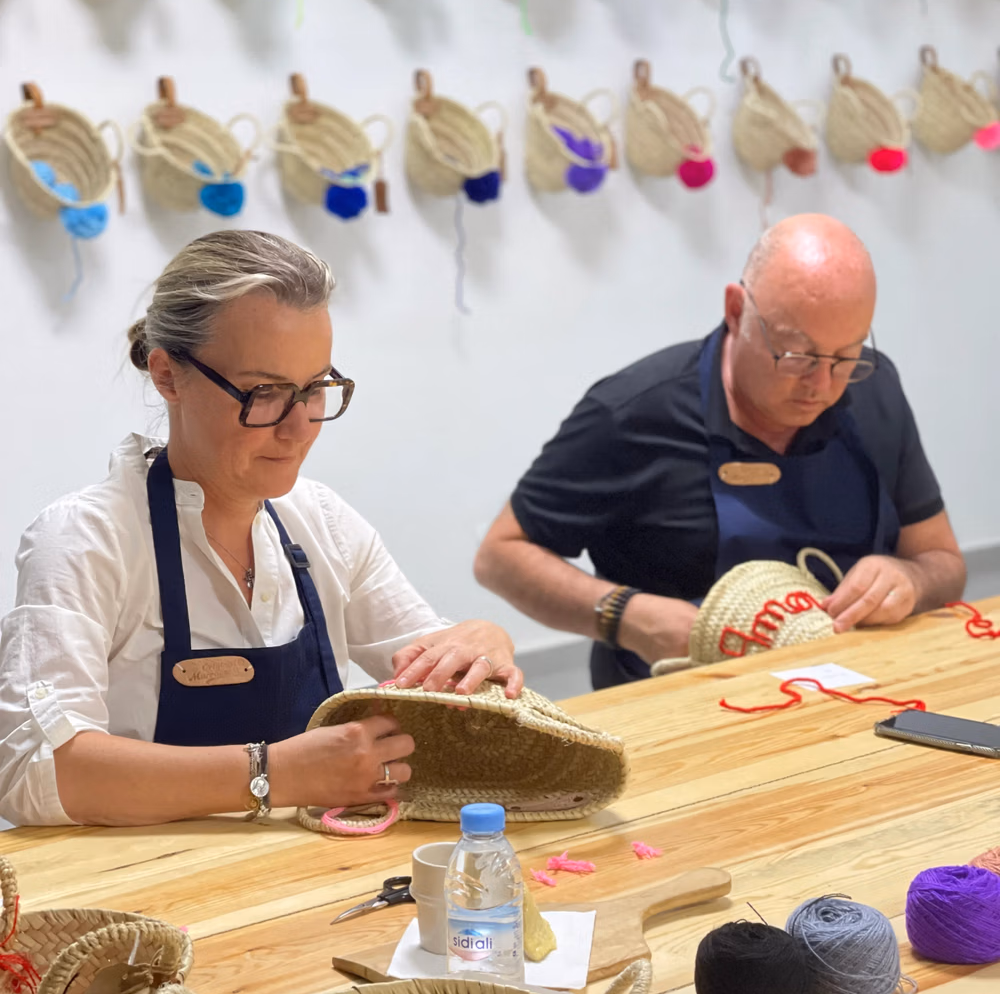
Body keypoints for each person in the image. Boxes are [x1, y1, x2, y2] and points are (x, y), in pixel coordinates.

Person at [0, 231, 521, 828]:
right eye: (263, 392)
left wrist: (478, 643)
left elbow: (432, 683)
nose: (299, 428)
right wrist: (274, 773)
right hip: (143, 901)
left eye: (316, 388)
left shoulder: (322, 521)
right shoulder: (86, 541)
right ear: (168, 376)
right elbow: (33, 772)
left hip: (302, 883)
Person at [475, 215, 965, 689]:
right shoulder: (632, 413)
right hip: (682, 705)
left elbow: (942, 561)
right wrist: (625, 616)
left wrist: (910, 580)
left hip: (851, 686)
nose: (821, 385)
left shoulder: (875, 389)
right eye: (797, 355)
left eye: (845, 357)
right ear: (736, 311)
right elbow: (500, 556)